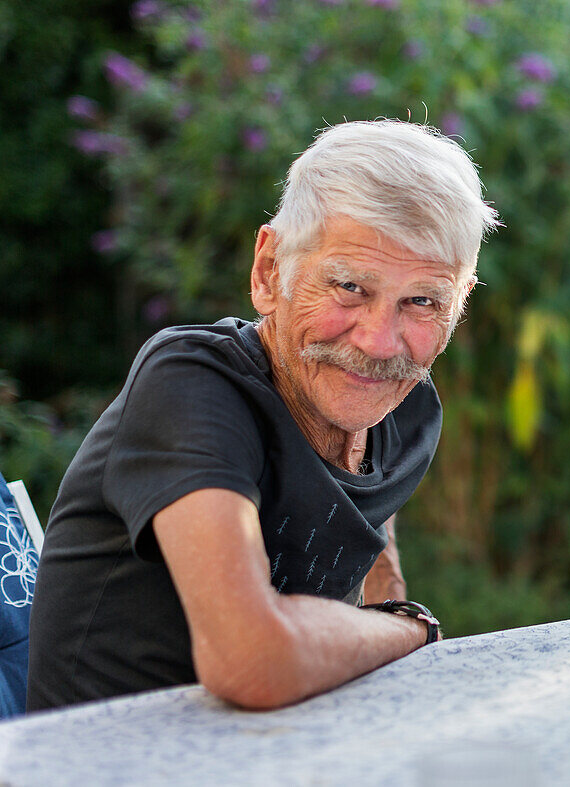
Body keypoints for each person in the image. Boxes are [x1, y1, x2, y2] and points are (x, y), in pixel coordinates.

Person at [25, 120, 499, 711]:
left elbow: (367, 495)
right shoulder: (193, 386)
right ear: (269, 272)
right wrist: (410, 627)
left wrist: (388, 597)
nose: (381, 343)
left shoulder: (403, 406)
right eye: (349, 286)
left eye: (423, 300)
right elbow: (251, 662)